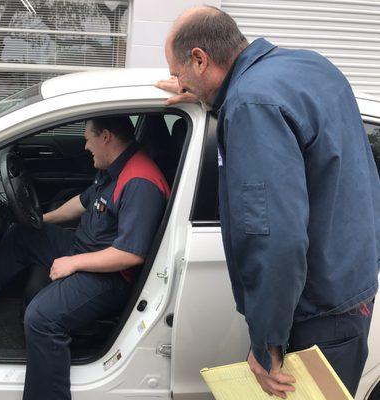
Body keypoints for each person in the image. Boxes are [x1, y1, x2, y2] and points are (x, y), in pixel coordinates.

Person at [157, 6, 379, 399]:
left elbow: (275, 238)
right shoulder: (309, 67)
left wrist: (268, 342)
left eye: (179, 73)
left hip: (317, 312)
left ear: (200, 59)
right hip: (350, 287)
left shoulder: (251, 106)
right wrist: (208, 96)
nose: (178, 81)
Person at [0, 116, 170, 400]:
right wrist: (37, 221)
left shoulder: (139, 182)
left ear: (106, 137)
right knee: (20, 236)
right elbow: (82, 202)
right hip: (85, 248)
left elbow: (131, 254)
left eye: (88, 138)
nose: (85, 146)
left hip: (112, 275)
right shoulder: (116, 167)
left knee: (40, 318)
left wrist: (73, 263)